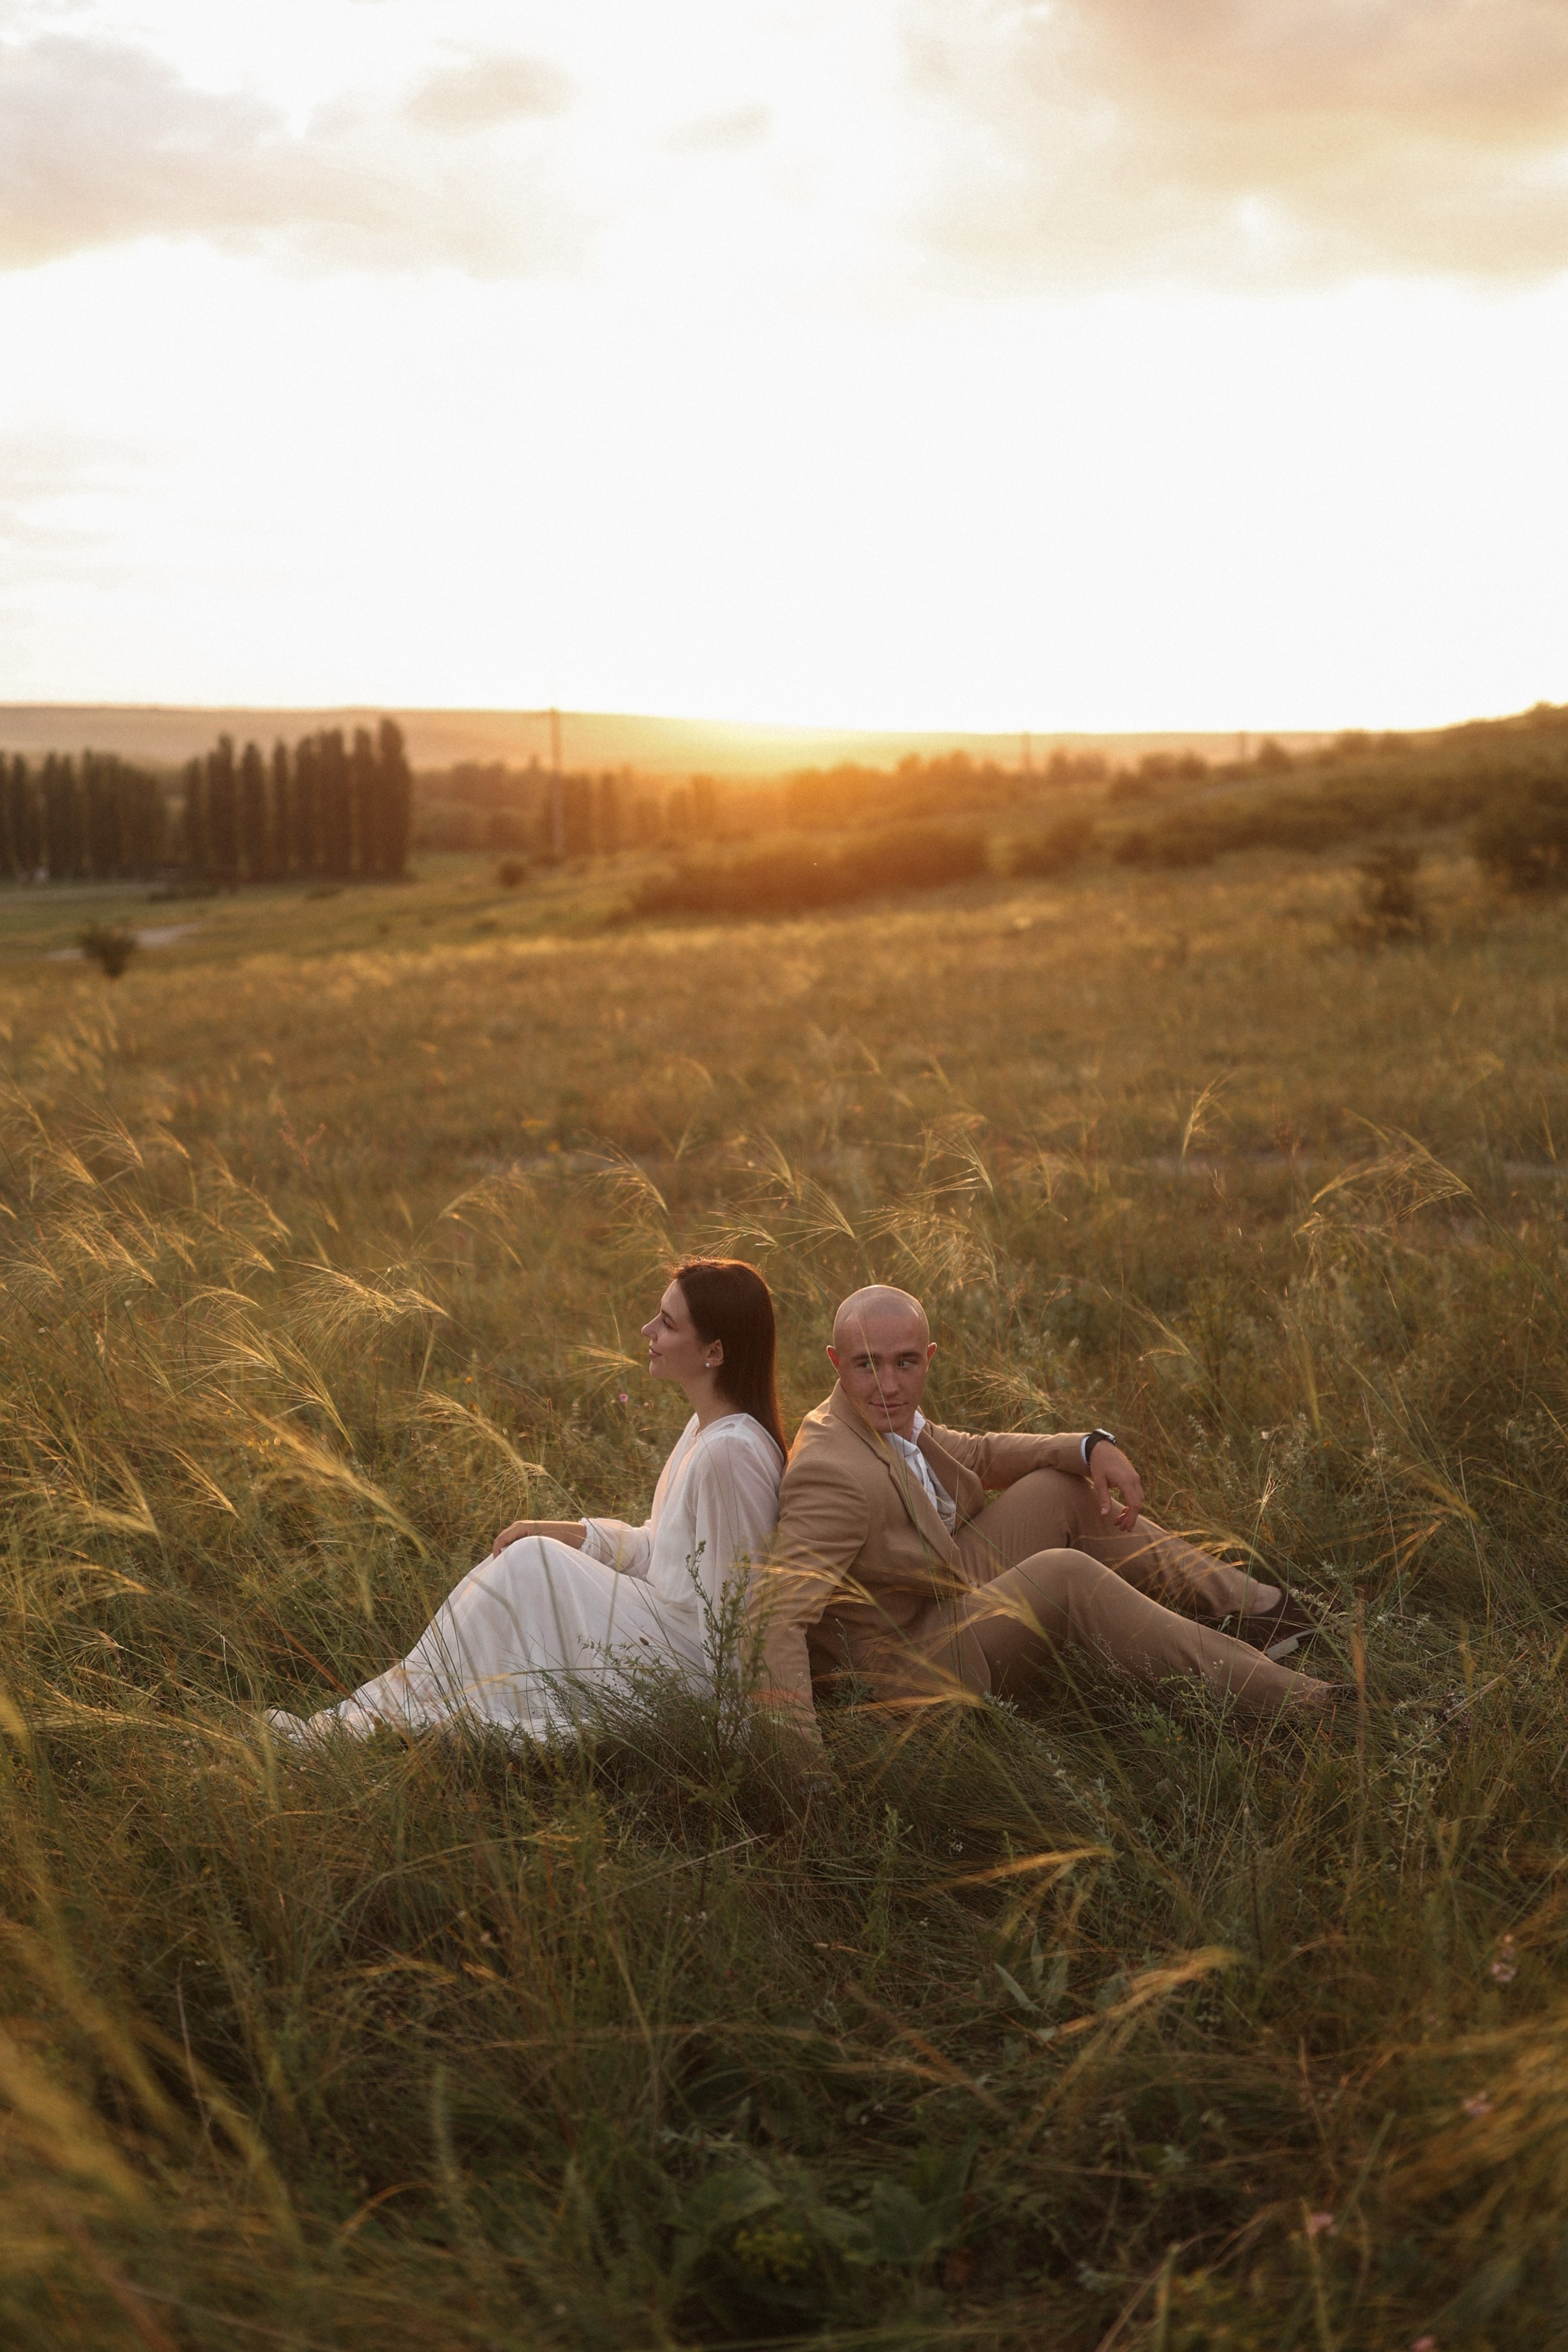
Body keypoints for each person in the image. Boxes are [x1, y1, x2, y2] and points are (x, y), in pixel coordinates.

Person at [755, 1284, 1346, 1757]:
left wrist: (1092, 1447)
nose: (888, 1384)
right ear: (836, 1362)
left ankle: (1268, 1612)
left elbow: (979, 1454)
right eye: (867, 1365)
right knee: (1065, 1575)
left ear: (928, 1359)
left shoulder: (879, 1413)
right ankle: (1310, 1708)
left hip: (937, 1592)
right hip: (908, 1671)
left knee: (1060, 1487)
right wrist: (801, 1771)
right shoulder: (831, 1470)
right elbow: (777, 1621)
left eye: (905, 1363)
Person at [267, 1260, 785, 1746]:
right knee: (533, 1556)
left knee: (531, 1566)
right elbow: (663, 1549)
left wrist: (731, 1736)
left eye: (668, 1324)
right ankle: (365, 1718)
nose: (648, 1331)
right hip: (660, 1631)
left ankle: (366, 1723)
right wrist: (566, 1531)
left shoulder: (730, 1455)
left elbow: (736, 1611)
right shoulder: (706, 1429)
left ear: (714, 1352)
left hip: (682, 1666)